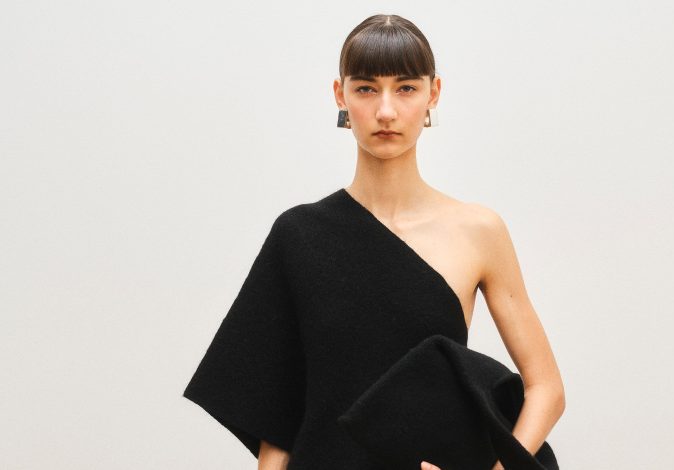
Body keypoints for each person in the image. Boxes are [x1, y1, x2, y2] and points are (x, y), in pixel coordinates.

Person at [183, 14, 565, 470]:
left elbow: (547, 389)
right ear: (340, 94)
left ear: (433, 93)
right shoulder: (298, 235)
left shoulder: (479, 231)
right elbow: (278, 419)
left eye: (405, 88)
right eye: (366, 88)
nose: (386, 111)